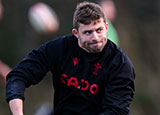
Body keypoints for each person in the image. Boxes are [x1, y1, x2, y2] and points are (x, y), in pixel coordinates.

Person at [6, 1, 135, 115]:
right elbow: (18, 75)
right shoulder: (60, 48)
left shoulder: (120, 65)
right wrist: (18, 112)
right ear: (76, 33)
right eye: (88, 32)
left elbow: (116, 111)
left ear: (106, 27)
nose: (95, 37)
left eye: (99, 30)